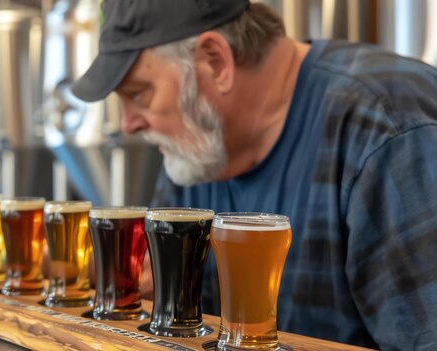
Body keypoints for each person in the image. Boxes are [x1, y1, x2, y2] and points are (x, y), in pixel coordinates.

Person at [71, 0, 437, 350]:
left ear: (215, 61)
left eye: (139, 93)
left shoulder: (387, 128)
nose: (127, 124)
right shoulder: (196, 148)